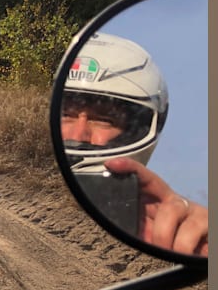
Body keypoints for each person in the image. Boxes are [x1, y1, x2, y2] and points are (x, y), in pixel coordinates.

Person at [60, 32, 207, 257]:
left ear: (138, 128)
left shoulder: (151, 213)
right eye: (66, 114)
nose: (79, 134)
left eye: (104, 119)